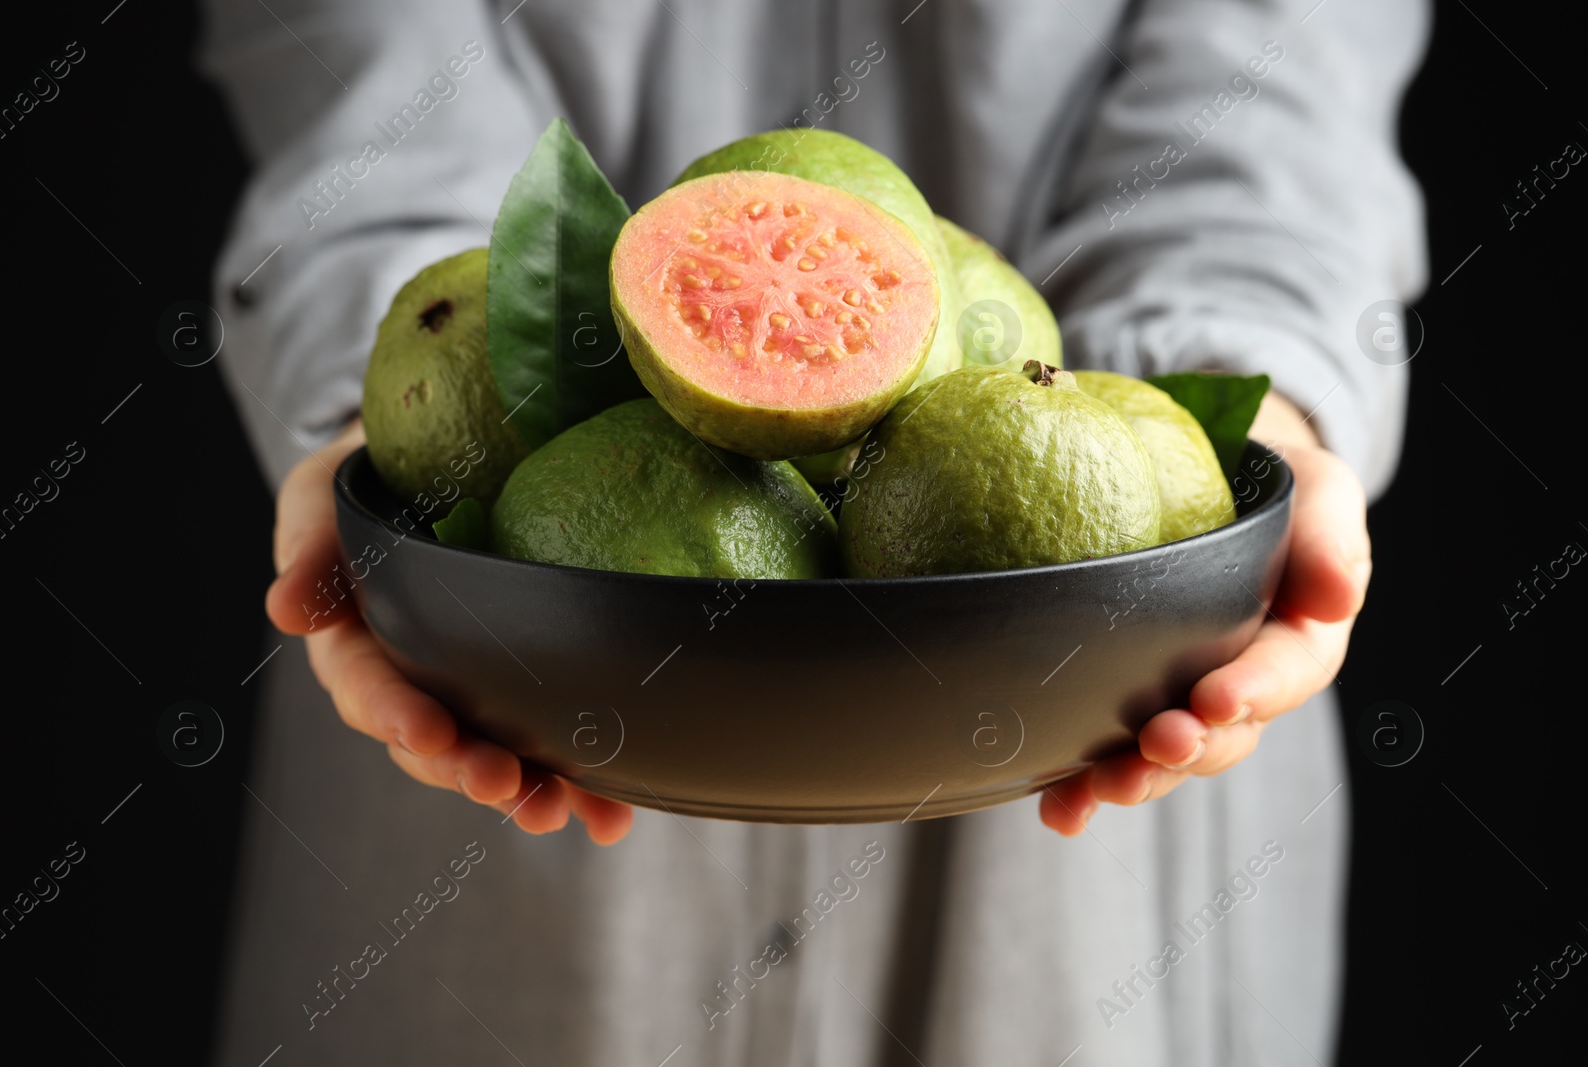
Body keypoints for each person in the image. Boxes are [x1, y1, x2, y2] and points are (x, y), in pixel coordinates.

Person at [202, 1, 1428, 1063]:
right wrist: (389, 425)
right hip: (523, 702)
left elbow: (1275, 88)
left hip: (1076, 719)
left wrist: (1234, 398)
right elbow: (362, 91)